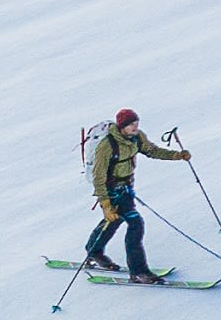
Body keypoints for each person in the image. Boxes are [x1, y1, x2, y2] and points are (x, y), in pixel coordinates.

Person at [78, 108, 194, 280]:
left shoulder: (137, 137)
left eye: (136, 123)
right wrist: (106, 204)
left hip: (126, 188)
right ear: (122, 126)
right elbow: (98, 175)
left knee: (114, 220)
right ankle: (139, 271)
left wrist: (177, 155)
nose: (135, 127)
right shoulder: (107, 145)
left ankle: (93, 252)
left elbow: (152, 151)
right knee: (135, 223)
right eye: (131, 124)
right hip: (111, 191)